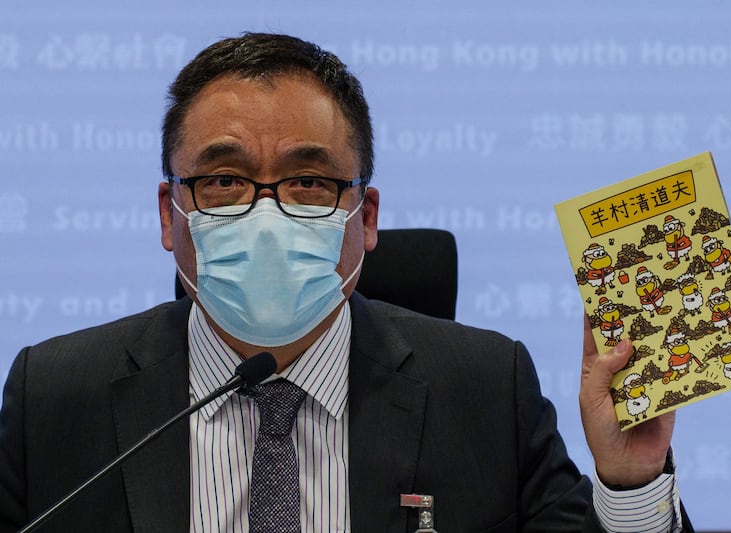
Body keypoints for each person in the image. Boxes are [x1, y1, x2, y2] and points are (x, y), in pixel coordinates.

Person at [0, 33, 693, 532]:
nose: (266, 214)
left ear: (365, 217)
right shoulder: (55, 398)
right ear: (168, 213)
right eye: (224, 180)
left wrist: (629, 481)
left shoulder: (487, 389)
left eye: (307, 182)